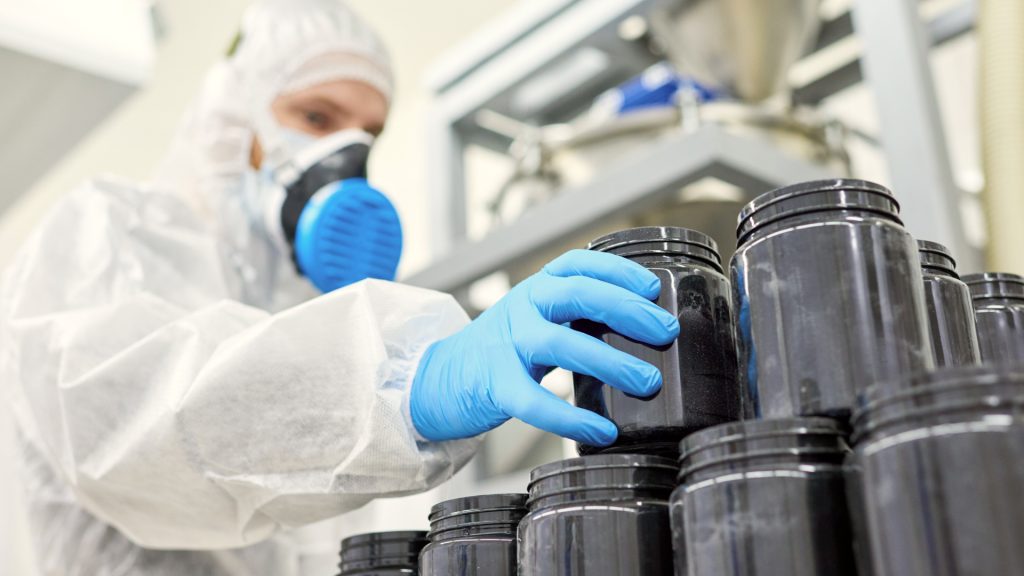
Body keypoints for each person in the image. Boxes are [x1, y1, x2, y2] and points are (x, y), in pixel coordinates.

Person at [0, 0, 679, 574]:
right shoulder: (110, 231)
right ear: (235, 120)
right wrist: (405, 384)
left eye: (368, 137)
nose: (345, 160)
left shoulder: (316, 315)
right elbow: (135, 424)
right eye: (317, 119)